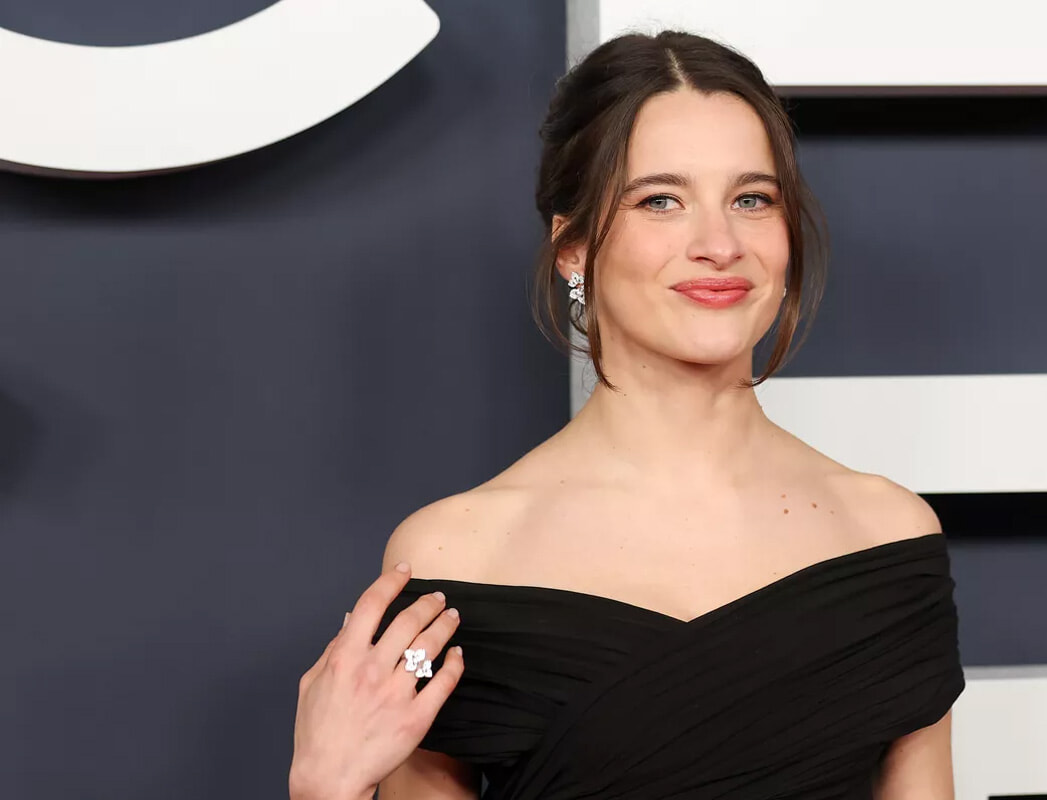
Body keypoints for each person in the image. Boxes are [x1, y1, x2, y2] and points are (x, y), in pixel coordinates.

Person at [291, 29, 964, 800]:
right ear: (573, 247)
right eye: (660, 201)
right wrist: (325, 790)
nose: (719, 244)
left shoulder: (886, 536)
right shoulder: (460, 555)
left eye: (751, 199)